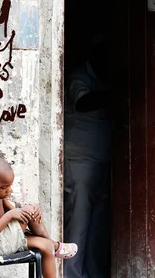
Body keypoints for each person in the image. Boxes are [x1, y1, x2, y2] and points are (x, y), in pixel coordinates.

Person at [0, 156, 78, 278]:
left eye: (10, 186)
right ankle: (56, 245)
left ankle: (51, 244)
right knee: (29, 210)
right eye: (4, 187)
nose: (8, 190)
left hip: (7, 241)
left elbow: (18, 213)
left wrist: (32, 209)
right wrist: (10, 216)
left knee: (46, 247)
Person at [63, 38, 112, 278]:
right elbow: (83, 102)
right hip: (80, 162)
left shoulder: (104, 78)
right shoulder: (79, 77)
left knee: (98, 225)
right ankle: (72, 274)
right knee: (79, 224)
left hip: (101, 161)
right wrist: (117, 94)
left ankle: (93, 273)